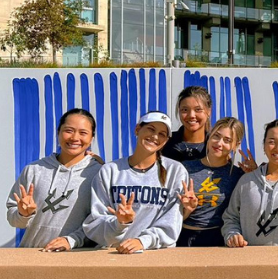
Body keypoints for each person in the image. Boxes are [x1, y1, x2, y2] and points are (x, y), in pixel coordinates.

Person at [83, 112, 188, 254]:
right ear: (137, 129)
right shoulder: (110, 171)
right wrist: (120, 223)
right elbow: (95, 222)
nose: (155, 136)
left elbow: (171, 223)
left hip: (157, 256)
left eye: (162, 134)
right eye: (151, 129)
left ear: (166, 140)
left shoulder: (175, 171)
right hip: (113, 255)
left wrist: (142, 241)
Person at [6, 109, 104, 251]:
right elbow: (14, 219)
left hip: (76, 260)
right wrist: (23, 214)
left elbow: (100, 222)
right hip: (31, 257)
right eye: (69, 130)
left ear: (92, 138)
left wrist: (71, 241)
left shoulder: (99, 174)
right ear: (58, 132)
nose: (75, 138)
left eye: (83, 133)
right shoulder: (34, 169)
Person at [176, 117, 247, 247]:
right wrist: (187, 210)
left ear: (236, 145)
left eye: (227, 140)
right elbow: (170, 215)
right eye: (216, 136)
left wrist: (253, 173)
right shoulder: (185, 168)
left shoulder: (238, 175)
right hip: (184, 237)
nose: (219, 143)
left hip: (219, 240)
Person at [164, 86, 212, 162]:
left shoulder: (215, 146)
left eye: (198, 109)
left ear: (209, 111)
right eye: (185, 110)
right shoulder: (165, 142)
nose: (191, 115)